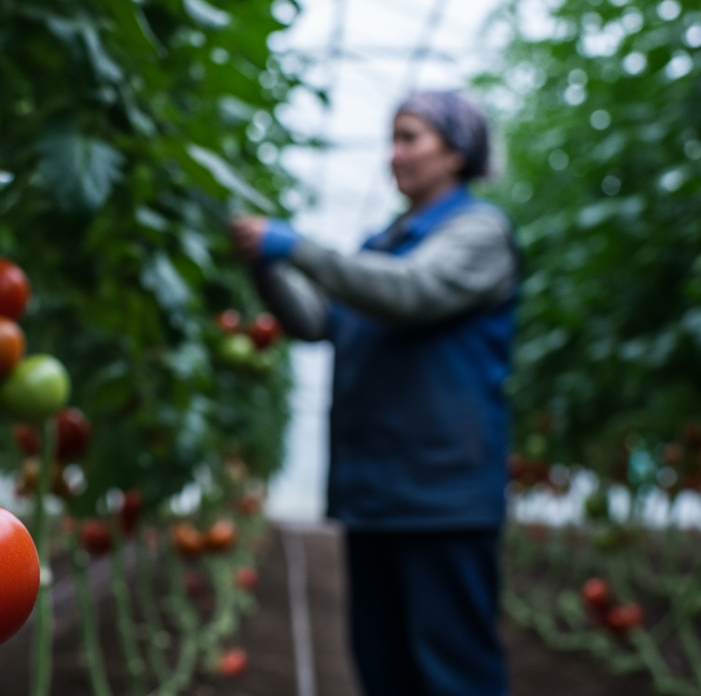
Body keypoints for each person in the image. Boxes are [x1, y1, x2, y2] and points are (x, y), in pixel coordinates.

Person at [229, 90, 516, 696]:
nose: (395, 154)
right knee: (382, 667)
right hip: (379, 489)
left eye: (410, 138)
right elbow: (314, 323)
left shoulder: (478, 233)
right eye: (392, 139)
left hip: (443, 493)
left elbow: (410, 292)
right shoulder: (379, 245)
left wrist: (298, 247)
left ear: (458, 151)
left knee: (453, 671)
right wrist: (266, 266)